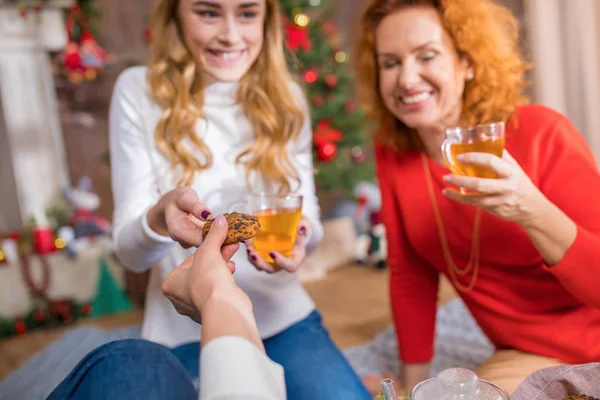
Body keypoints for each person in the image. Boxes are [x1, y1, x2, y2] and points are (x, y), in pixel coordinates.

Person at [103, 0, 370, 398]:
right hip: (184, 328)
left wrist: (300, 240)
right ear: (175, 15)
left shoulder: (288, 98)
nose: (230, 35)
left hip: (282, 317)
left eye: (247, 13)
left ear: (267, 19)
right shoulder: (139, 92)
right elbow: (131, 255)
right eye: (208, 13)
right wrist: (160, 218)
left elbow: (305, 217)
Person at [354, 0, 600, 395]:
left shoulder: (540, 132)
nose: (407, 78)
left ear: (467, 62)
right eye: (390, 63)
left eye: (427, 56)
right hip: (526, 354)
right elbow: (410, 276)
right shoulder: (395, 156)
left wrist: (532, 211)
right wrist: (413, 387)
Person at [48, 215, 287, 400]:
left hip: (278, 312)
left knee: (132, 358)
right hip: (217, 325)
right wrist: (225, 299)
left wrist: (216, 295)